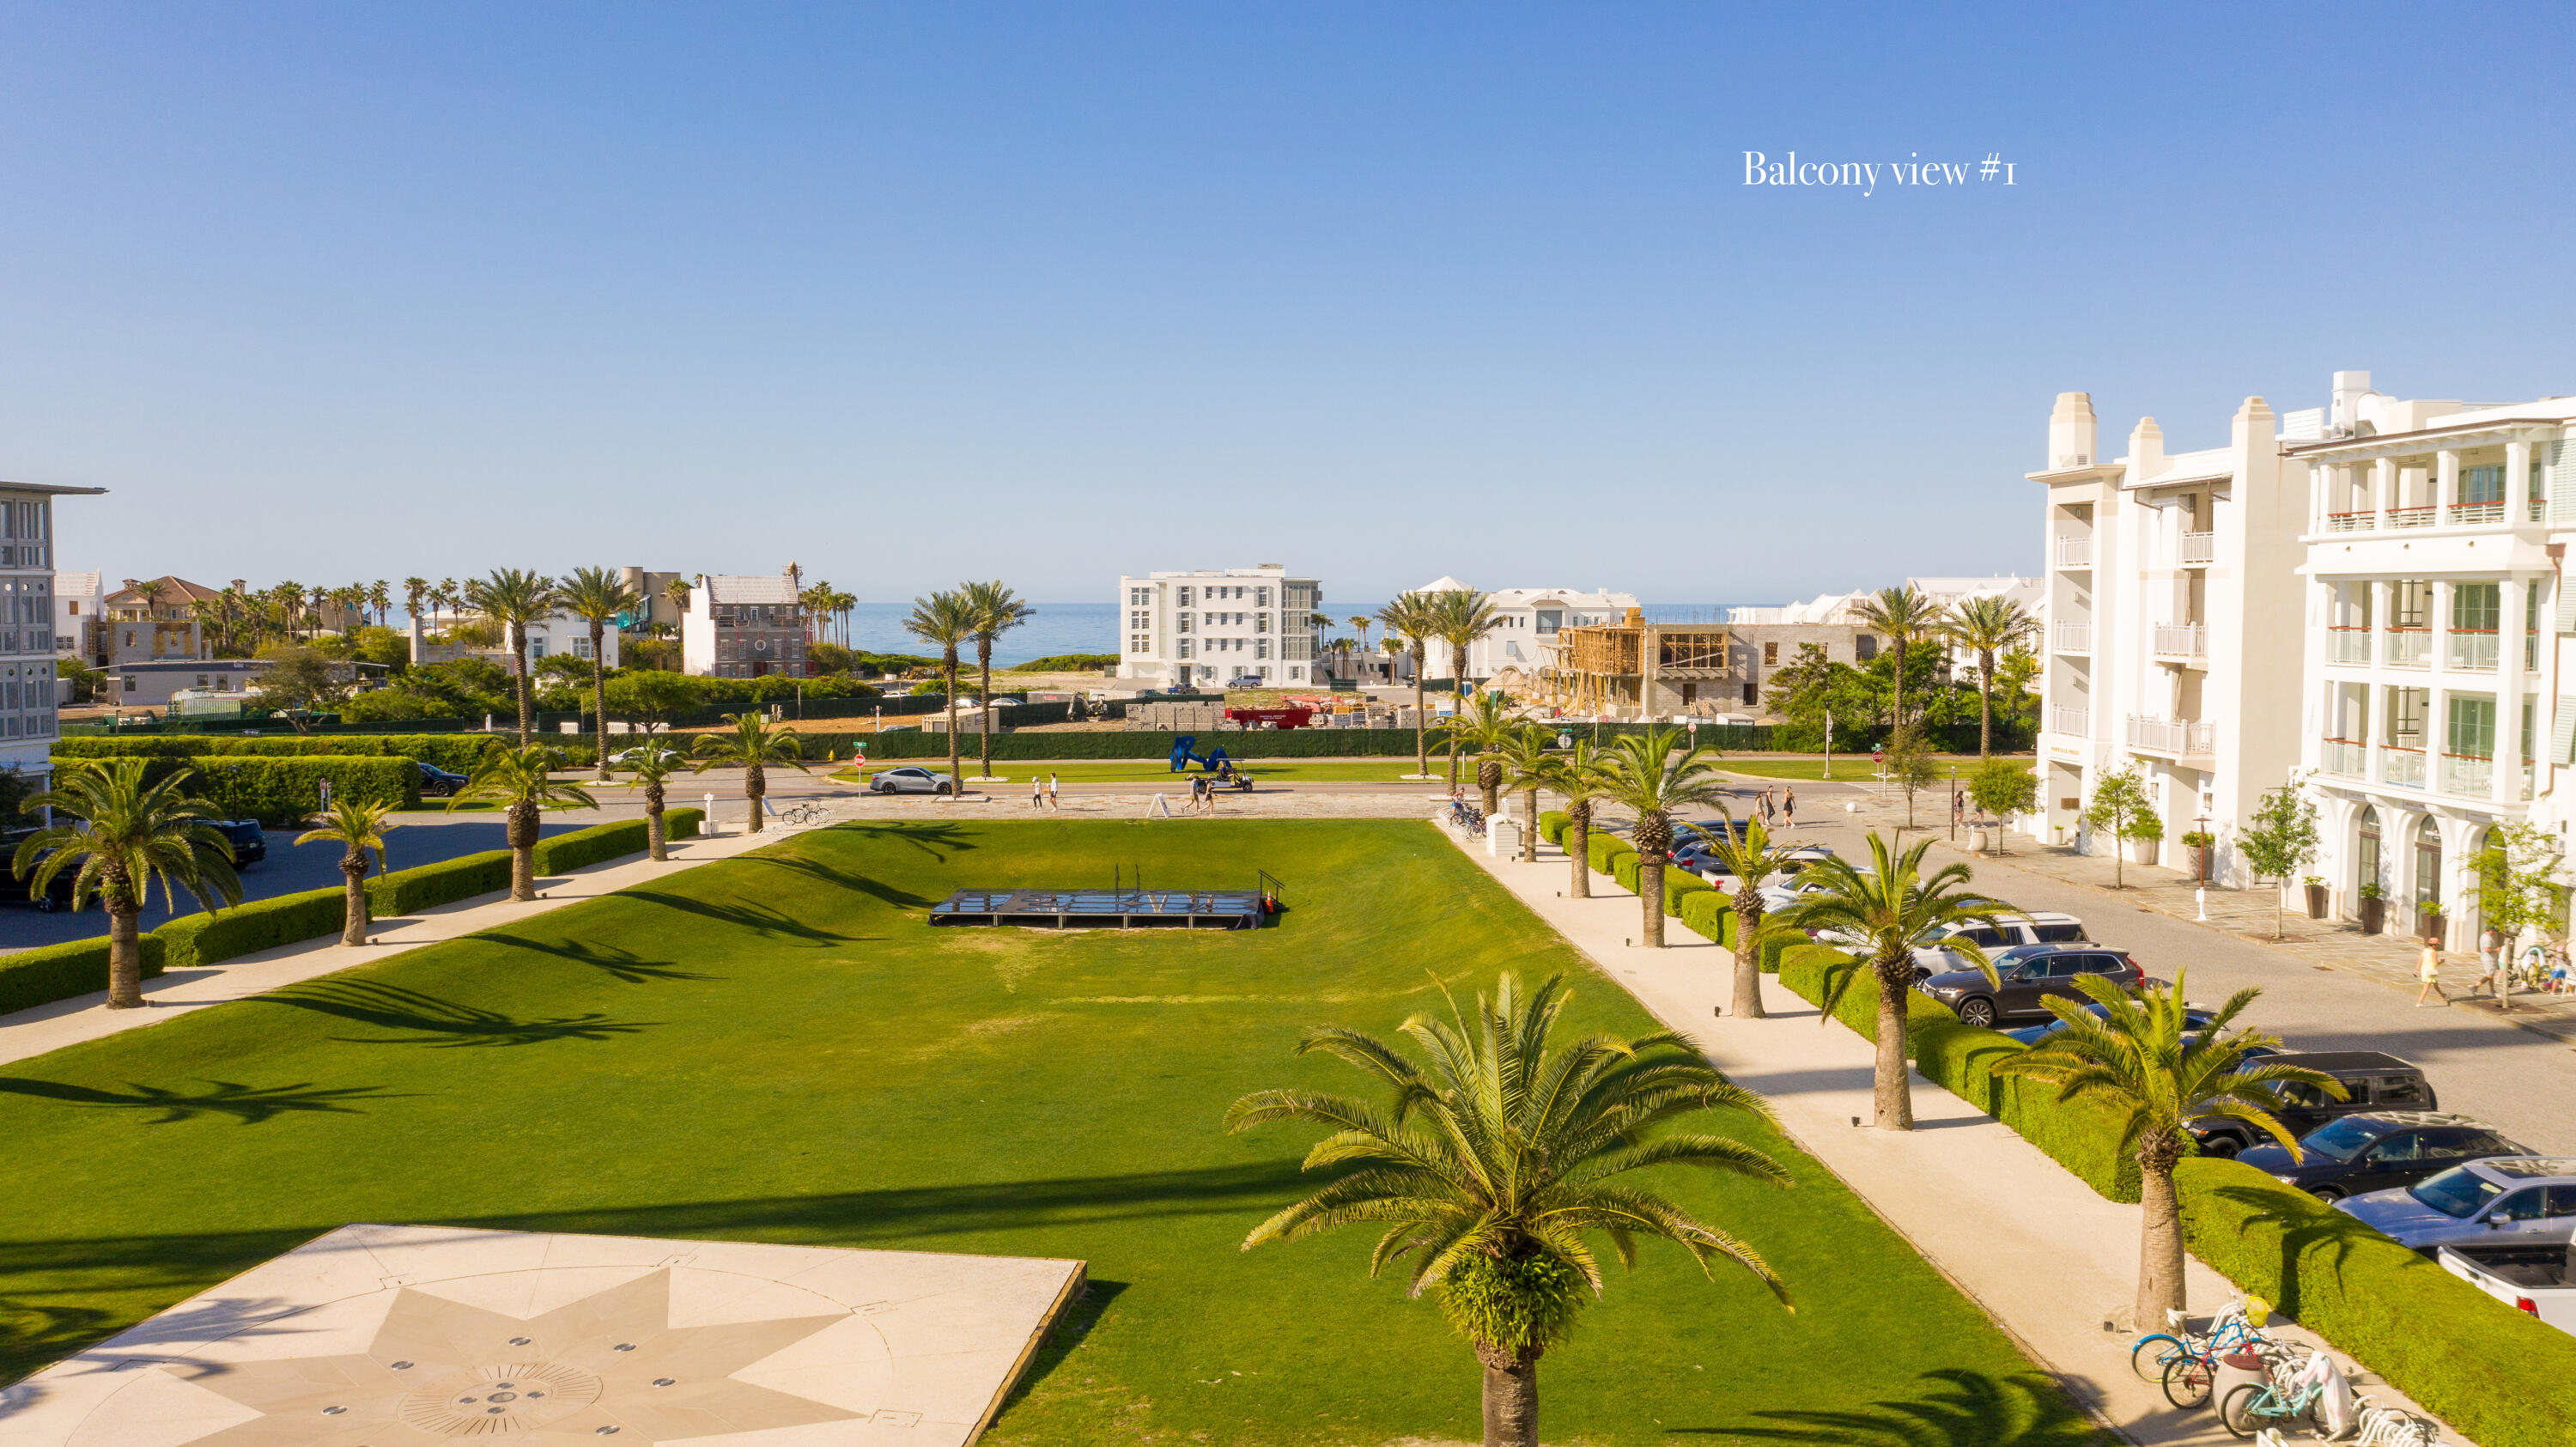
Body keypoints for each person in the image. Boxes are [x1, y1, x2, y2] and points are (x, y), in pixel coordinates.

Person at [2415, 938, 2450, 1007]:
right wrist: (2441, 962)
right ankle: (2419, 1002)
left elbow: (2420, 960)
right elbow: (2435, 964)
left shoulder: (2424, 950)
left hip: (2424, 969)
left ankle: (2443, 995)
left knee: (2435, 983)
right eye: (2437, 945)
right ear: (2434, 945)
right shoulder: (2434, 952)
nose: (2437, 946)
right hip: (2431, 970)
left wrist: (2417, 969)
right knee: (2426, 986)